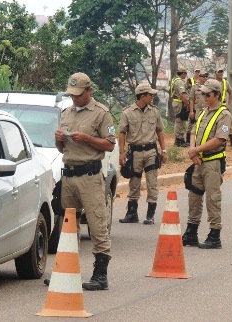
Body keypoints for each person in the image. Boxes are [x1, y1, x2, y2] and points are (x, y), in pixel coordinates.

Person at [55, 72, 116, 291]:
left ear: (89, 91)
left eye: (78, 95)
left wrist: (87, 138)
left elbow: (110, 145)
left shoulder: (101, 114)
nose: (75, 99)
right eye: (72, 95)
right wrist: (58, 139)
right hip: (69, 174)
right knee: (68, 225)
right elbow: (61, 149)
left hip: (89, 176)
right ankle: (65, 270)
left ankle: (101, 274)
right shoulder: (66, 113)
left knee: (97, 224)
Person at [181, 79, 232, 249]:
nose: (204, 97)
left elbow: (219, 139)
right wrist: (192, 151)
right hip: (198, 162)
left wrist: (196, 151)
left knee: (212, 198)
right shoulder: (203, 112)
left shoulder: (224, 114)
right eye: (202, 93)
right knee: (194, 196)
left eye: (207, 94)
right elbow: (194, 132)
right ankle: (191, 232)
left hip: (213, 163)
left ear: (217, 95)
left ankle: (214, 234)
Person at [118, 83, 167, 225]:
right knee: (134, 182)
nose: (152, 97)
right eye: (150, 95)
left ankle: (150, 215)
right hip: (135, 152)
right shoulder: (127, 112)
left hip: (151, 151)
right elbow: (122, 133)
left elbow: (159, 131)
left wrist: (163, 151)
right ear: (142, 96)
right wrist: (122, 153)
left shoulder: (155, 111)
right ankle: (132, 213)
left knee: (152, 182)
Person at [214, 68, 232, 148]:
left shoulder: (225, 82)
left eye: (222, 72)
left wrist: (229, 104)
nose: (220, 73)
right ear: (215, 73)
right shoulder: (212, 82)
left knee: (228, 123)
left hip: (223, 106)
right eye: (219, 72)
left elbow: (231, 93)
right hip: (214, 106)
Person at [185, 70, 208, 145]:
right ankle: (189, 140)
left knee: (205, 125)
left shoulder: (208, 87)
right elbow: (191, 99)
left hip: (207, 109)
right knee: (194, 125)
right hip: (198, 109)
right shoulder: (194, 87)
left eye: (206, 76)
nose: (205, 78)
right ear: (199, 77)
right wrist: (191, 111)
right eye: (203, 76)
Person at [170, 66, 190, 147]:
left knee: (180, 120)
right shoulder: (180, 82)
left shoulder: (175, 80)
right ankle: (179, 140)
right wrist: (187, 104)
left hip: (176, 102)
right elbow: (182, 94)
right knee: (180, 121)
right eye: (185, 73)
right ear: (183, 73)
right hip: (179, 103)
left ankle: (180, 139)